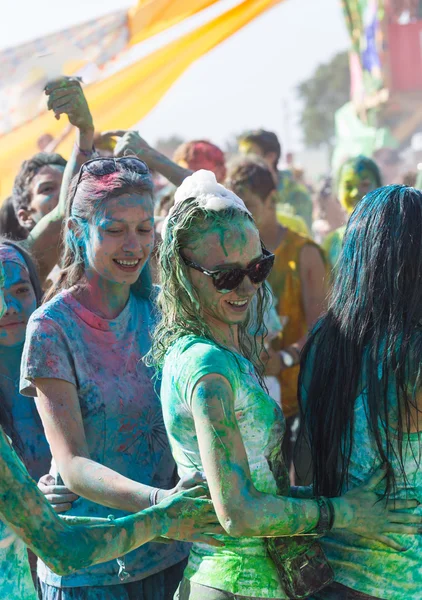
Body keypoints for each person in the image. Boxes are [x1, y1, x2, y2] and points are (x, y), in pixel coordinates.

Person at [148, 170, 418, 600]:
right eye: (225, 276)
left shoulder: (253, 350)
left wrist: (335, 504)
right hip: (238, 583)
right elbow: (238, 513)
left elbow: (272, 479)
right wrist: (346, 511)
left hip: (277, 579)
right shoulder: (207, 367)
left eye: (257, 268)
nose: (248, 287)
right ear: (183, 272)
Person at [20, 156, 221, 600]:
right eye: (114, 230)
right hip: (90, 569)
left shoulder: (163, 315)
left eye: (145, 229)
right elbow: (72, 465)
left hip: (171, 558)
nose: (133, 245)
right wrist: (160, 504)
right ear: (77, 230)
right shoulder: (52, 328)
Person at [300, 185, 422, 600]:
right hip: (397, 583)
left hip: (328, 573)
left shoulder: (323, 341)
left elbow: (306, 463)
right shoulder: (412, 358)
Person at [226, 157, 327, 481]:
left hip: (298, 400)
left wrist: (282, 358)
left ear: (272, 200)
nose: (243, 215)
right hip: (247, 402)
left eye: (250, 206)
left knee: (296, 489)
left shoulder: (303, 253)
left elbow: (322, 330)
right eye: (236, 207)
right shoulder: (229, 254)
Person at [238, 129, 313, 231]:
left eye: (250, 154)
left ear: (271, 157)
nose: (243, 162)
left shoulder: (297, 194)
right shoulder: (239, 192)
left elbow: (304, 239)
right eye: (242, 155)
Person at [322, 156, 382, 270]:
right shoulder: (331, 243)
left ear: (379, 187)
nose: (355, 193)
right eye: (348, 186)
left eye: (364, 184)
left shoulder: (391, 236)